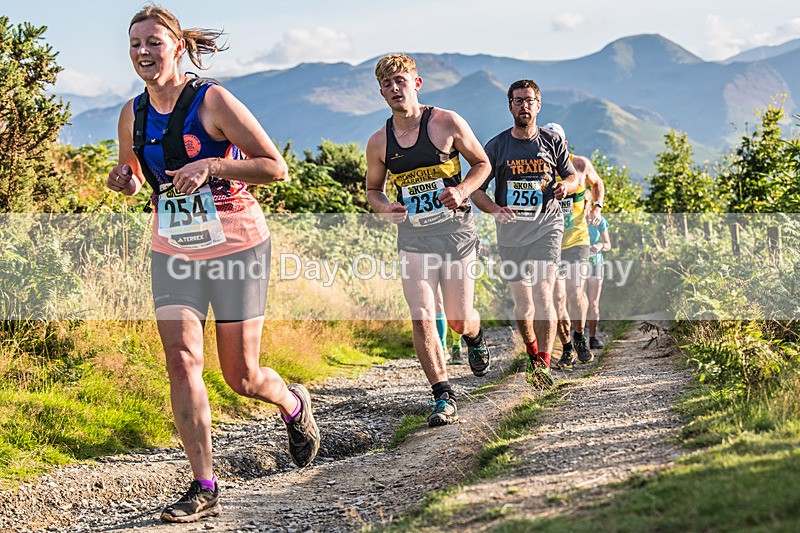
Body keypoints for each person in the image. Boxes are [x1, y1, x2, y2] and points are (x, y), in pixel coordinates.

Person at [107, 6, 320, 523]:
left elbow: (275, 168)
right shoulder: (132, 113)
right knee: (181, 361)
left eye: (154, 42)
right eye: (135, 43)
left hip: (236, 245)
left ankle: (292, 403)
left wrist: (213, 164)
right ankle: (204, 485)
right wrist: (124, 181)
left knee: (241, 376)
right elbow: (136, 175)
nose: (143, 52)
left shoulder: (212, 100)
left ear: (177, 47)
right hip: (173, 247)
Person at [365, 53, 491, 427]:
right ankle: (443, 397)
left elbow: (482, 164)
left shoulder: (446, 122)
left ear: (416, 84)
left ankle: (474, 335)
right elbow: (373, 190)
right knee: (422, 317)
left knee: (457, 319)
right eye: (387, 84)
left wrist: (462, 190)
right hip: (414, 237)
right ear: (381, 92)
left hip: (455, 233)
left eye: (400, 80)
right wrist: (385, 208)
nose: (394, 88)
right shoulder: (379, 142)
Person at [472, 80, 579, 389]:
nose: (524, 106)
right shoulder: (496, 147)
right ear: (510, 106)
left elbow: (573, 176)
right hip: (511, 234)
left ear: (538, 105)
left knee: (544, 292)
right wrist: (495, 210)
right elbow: (476, 190)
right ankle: (532, 352)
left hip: (547, 226)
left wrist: (565, 186)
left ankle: (543, 364)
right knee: (523, 303)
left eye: (529, 100)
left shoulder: (552, 141)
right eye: (518, 101)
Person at [540, 123, 605, 369]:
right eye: (546, 143)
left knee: (575, 291)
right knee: (557, 299)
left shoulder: (580, 165)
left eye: (555, 142)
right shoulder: (538, 169)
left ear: (564, 144)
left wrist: (597, 207)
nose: (551, 147)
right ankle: (567, 347)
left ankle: (579, 337)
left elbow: (597, 184)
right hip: (550, 242)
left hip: (578, 239)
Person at [587, 208, 611, 349]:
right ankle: (578, 337)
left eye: (587, 202)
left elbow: (608, 244)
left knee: (593, 303)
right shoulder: (573, 217)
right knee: (576, 300)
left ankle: (593, 337)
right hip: (576, 262)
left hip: (595, 263)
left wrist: (600, 245)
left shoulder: (599, 220)